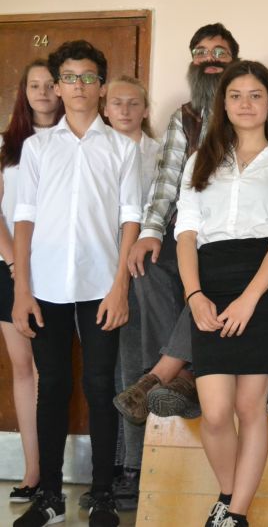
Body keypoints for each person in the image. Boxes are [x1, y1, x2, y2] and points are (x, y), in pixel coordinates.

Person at [12, 40, 141, 527]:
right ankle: (49, 496)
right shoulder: (38, 148)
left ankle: (102, 495)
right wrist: (22, 290)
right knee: (52, 387)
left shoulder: (122, 148)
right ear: (58, 87)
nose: (79, 86)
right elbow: (24, 221)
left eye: (89, 77)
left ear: (102, 86)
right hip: (45, 286)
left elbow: (131, 220)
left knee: (100, 385)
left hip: (101, 285)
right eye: (69, 77)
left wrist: (120, 287)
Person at [176, 60, 268, 527]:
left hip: (262, 285)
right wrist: (194, 295)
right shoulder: (200, 161)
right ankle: (229, 497)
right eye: (235, 95)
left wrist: (250, 299)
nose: (245, 104)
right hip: (208, 284)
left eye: (255, 95)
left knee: (250, 408)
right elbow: (186, 235)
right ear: (223, 105)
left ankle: (235, 514)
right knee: (214, 413)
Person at [114, 23, 239, 424]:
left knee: (212, 271)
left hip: (230, 231)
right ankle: (183, 375)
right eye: (201, 52)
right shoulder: (182, 117)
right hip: (185, 224)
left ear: (235, 61)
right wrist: (150, 233)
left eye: (219, 52)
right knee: (147, 265)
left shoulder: (251, 110)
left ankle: (161, 376)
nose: (210, 59)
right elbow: (166, 181)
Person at [0, 59, 63, 504]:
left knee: (52, 371)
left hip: (57, 268)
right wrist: (14, 262)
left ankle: (53, 472)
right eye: (33, 85)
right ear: (24, 92)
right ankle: (32, 470)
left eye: (49, 85)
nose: (42, 92)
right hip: (9, 268)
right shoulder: (6, 145)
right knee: (23, 367)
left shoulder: (73, 141)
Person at [103, 75, 160, 511]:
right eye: (117, 103)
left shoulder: (159, 155)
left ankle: (134, 466)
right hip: (95, 275)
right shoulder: (94, 150)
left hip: (141, 274)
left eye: (133, 103)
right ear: (105, 109)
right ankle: (113, 463)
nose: (124, 110)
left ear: (145, 109)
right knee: (102, 374)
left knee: (134, 369)